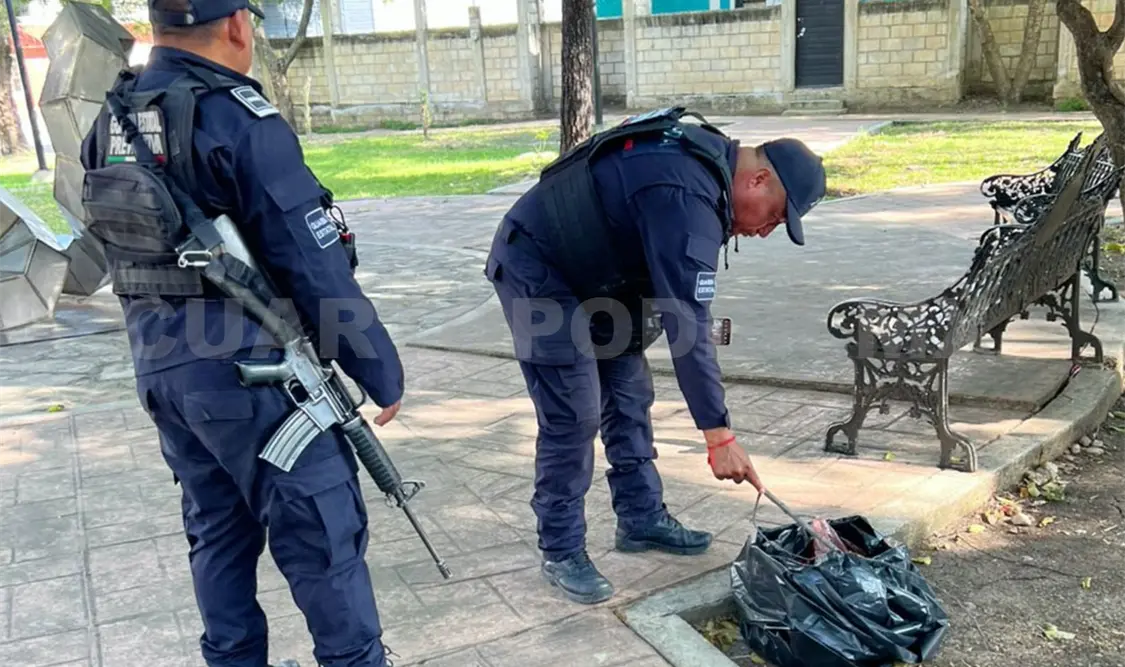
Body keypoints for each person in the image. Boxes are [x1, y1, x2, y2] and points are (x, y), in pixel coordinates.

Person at [78, 1, 404, 666]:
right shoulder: (239, 117)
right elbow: (311, 263)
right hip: (254, 375)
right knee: (323, 539)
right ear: (235, 26)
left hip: (164, 371)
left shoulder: (109, 118)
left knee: (217, 532)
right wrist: (378, 369)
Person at [483, 109, 827, 605]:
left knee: (627, 389)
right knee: (574, 410)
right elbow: (687, 323)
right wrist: (719, 434)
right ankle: (561, 548)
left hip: (599, 271)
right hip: (538, 266)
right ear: (758, 178)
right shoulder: (686, 194)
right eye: (775, 215)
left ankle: (641, 518)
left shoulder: (706, 173)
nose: (766, 230)